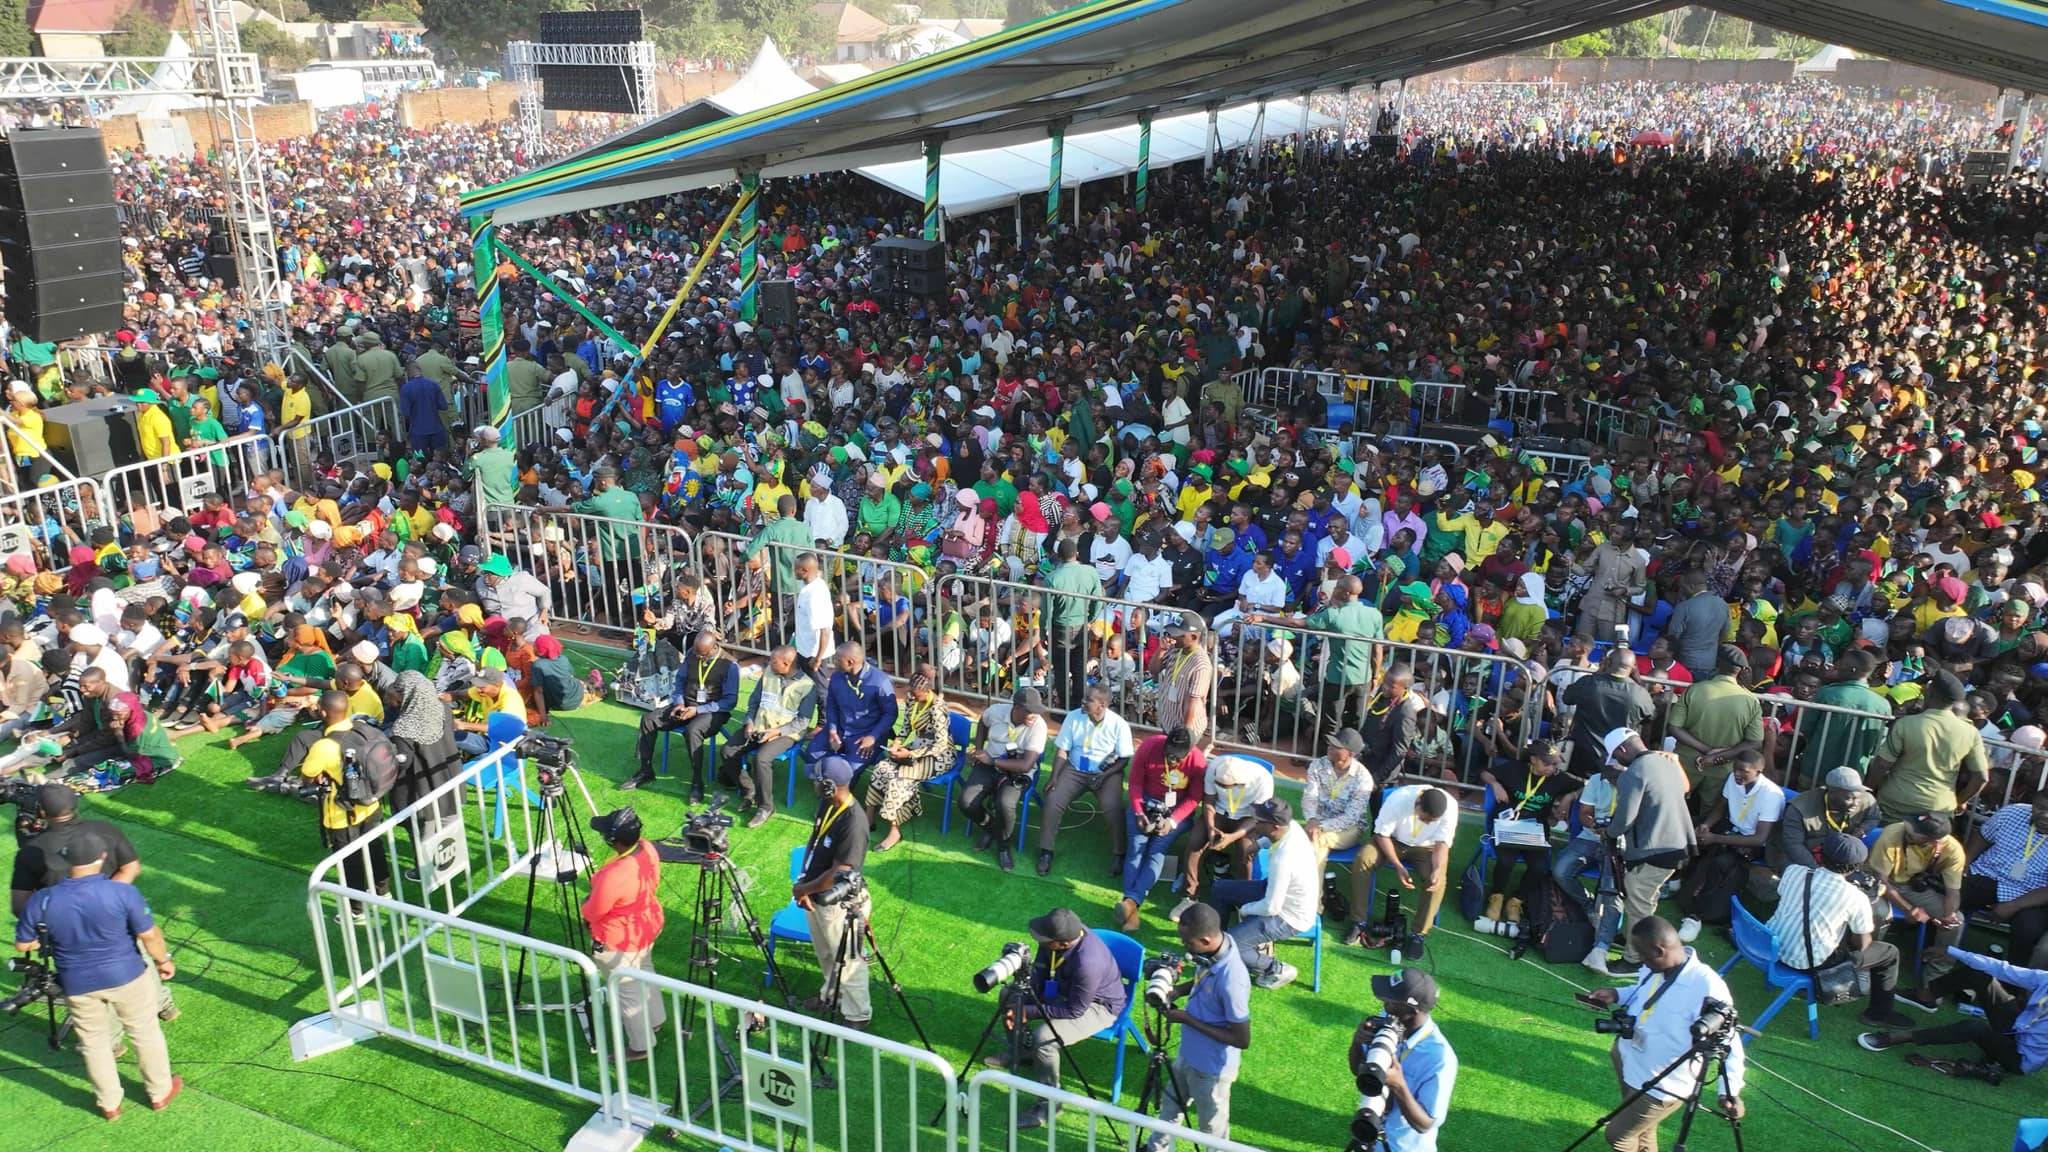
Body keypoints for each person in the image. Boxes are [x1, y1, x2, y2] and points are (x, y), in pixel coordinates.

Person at [14, 828, 183, 1119]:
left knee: (94, 1043)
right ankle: (158, 1092)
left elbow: (23, 943)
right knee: (144, 1032)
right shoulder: (122, 892)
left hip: (77, 983)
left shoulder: (43, 899)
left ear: (67, 860)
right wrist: (163, 960)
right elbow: (149, 934)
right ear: (102, 857)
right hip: (127, 976)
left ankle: (109, 1104)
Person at [1582, 917, 1745, 1152]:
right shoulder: (1657, 967)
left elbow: (1729, 1042)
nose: (1641, 961)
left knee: (1618, 1136)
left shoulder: (1706, 986)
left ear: (1660, 950)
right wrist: (1617, 994)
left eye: (1643, 955)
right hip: (1629, 1059)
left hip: (1663, 1083)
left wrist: (1729, 1091)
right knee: (1643, 1129)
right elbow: (1644, 995)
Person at [990, 907, 1128, 1127]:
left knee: (1044, 1038)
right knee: (1009, 994)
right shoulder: (1056, 939)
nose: (1039, 940)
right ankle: (1021, 1052)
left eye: (1045, 939)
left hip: (1097, 1006)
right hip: (1064, 990)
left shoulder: (1088, 963)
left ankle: (1050, 1105)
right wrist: (1021, 1001)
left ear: (1063, 944)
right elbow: (1041, 973)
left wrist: (1027, 1011)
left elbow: (1074, 1010)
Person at [1767, 832, 1912, 1029]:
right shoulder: (1856, 897)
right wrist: (1870, 901)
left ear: (1821, 854)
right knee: (1889, 953)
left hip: (1769, 947)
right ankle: (1878, 1014)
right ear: (1856, 867)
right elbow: (1863, 945)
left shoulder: (1794, 871)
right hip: (1808, 964)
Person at [1141, 902, 1250, 1152]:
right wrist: (1178, 989)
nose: (1185, 948)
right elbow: (1201, 977)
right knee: (1170, 1108)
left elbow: (1242, 1039)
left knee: (1211, 1129)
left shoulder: (1233, 979)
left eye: (1188, 943)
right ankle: (1155, 1149)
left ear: (1206, 939)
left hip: (1211, 1070)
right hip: (1188, 1056)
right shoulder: (1214, 950)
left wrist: (1187, 1019)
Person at [1859, 946, 2048, 1082]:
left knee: (1974, 1027)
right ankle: (1926, 997)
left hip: (2019, 1057)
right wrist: (1952, 951)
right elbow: (2002, 969)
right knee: (1979, 973)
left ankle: (1900, 1037)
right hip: (2016, 1025)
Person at [1594, 728, 1695, 975]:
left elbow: (1625, 819)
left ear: (1622, 750)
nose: (1617, 762)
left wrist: (1609, 832)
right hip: (1677, 843)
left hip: (1655, 848)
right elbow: (1684, 790)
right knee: (1644, 900)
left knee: (1638, 904)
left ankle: (1634, 960)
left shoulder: (1634, 773)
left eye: (1616, 756)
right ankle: (1635, 942)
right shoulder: (1667, 763)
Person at [296, 689, 391, 919]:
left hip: (342, 813)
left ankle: (355, 910)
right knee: (374, 847)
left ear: (323, 712)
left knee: (350, 860)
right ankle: (382, 892)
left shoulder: (325, 746)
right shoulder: (365, 731)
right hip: (372, 803)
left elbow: (308, 775)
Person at [582, 806, 666, 1060]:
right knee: (645, 972)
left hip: (619, 940)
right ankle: (655, 1020)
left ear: (612, 841)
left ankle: (640, 1046)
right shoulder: (647, 848)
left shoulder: (614, 875)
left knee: (626, 992)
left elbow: (594, 910)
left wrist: (584, 908)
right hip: (648, 925)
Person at [1674, 747, 1783, 941]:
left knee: (1720, 862)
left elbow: (1759, 839)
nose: (1738, 775)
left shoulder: (1771, 795)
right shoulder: (1733, 780)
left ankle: (1699, 912)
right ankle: (1675, 881)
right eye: (1736, 769)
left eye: (1744, 772)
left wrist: (1716, 839)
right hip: (1729, 829)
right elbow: (1721, 807)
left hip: (1752, 844)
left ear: (1759, 772)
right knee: (1689, 830)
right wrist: (1707, 826)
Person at [795, 755, 871, 1029]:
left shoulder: (854, 822)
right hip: (815, 896)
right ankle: (831, 996)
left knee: (849, 959)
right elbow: (814, 843)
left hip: (840, 903)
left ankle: (857, 1014)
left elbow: (840, 871)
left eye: (817, 780)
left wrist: (805, 887)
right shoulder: (826, 805)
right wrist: (804, 882)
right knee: (826, 953)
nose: (812, 784)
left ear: (829, 785)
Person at [1209, 799, 1317, 989]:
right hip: (1276, 894)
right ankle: (1215, 947)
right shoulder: (1290, 826)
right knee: (1220, 889)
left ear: (1274, 826)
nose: (1254, 822)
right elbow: (1273, 836)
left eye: (1259, 821)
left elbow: (1271, 907)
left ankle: (1276, 969)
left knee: (1231, 946)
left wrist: (1245, 909)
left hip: (1287, 917)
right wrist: (1258, 844)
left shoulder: (1284, 859)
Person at [622, 630, 737, 799]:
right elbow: (680, 681)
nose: (697, 657)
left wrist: (698, 710)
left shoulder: (730, 665)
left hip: (713, 711)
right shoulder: (692, 653)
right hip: (686, 704)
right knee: (649, 719)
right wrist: (679, 702)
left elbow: (729, 701)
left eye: (702, 654)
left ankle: (697, 782)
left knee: (693, 730)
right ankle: (645, 770)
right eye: (696, 653)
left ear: (714, 648)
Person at [1115, 727, 1208, 932]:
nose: (1172, 761)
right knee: (1136, 848)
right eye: (1168, 755)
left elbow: (1194, 798)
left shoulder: (1198, 762)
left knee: (1157, 850)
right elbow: (1135, 783)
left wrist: (1172, 821)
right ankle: (1132, 904)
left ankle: (1130, 903)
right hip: (1146, 803)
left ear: (1189, 752)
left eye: (1177, 758)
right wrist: (1139, 812)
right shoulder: (1149, 746)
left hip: (1175, 811)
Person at [1035, 686, 1135, 876]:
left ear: (1102, 705)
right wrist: (1054, 776)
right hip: (1075, 769)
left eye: (1088, 700)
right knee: (1053, 799)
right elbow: (1063, 750)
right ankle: (1046, 851)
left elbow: (1124, 759)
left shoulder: (1119, 724)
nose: (1083, 701)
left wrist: (1104, 775)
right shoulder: (1073, 716)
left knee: (1113, 807)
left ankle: (1119, 853)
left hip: (1107, 773)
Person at [1869, 812, 1966, 1005]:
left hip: (1913, 887)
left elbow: (1952, 892)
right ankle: (1867, 966)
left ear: (1932, 840)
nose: (1909, 830)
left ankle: (1931, 987)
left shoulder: (1953, 850)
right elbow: (1881, 881)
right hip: (1879, 883)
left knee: (1956, 923)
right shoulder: (1893, 832)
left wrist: (1949, 915)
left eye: (1916, 833)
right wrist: (1908, 909)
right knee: (1879, 913)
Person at [1866, 670, 1989, 821]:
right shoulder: (1971, 733)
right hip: (1938, 808)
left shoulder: (1905, 724)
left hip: (1896, 802)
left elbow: (1881, 764)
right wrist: (1959, 801)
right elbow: (1981, 777)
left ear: (1930, 692)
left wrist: (1868, 791)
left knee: (1885, 841)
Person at [1356, 968, 1458, 1152]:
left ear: (1411, 1011)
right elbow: (1358, 1071)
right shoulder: (1387, 1022)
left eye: (1390, 1000)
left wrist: (1399, 1085)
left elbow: (1425, 1125)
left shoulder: (1440, 1059)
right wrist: (1358, 1042)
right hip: (1370, 1134)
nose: (1383, 1003)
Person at [1474, 739, 1568, 932]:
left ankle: (1517, 900)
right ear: (1533, 760)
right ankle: (1497, 895)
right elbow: (1484, 772)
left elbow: (1583, 783)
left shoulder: (1558, 778)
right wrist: (1495, 785)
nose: (1551, 768)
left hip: (1536, 829)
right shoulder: (1514, 769)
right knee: (1506, 861)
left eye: (1555, 764)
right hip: (1507, 825)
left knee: (1539, 867)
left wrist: (1569, 797)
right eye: (1547, 763)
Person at [1349, 783, 1457, 948]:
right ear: (1417, 803)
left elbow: (1442, 844)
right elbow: (1382, 834)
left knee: (1437, 880)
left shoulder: (1450, 807)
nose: (1427, 823)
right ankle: (1359, 922)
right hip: (1391, 841)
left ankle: (1418, 934)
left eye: (1431, 821)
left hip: (1426, 848)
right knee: (1363, 859)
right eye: (1424, 818)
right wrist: (1398, 865)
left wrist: (1437, 869)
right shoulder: (1399, 799)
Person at [719, 645, 815, 827]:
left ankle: (766, 807)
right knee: (728, 751)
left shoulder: (807, 686)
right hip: (757, 727)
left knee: (762, 759)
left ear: (787, 664)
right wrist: (749, 721)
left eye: (773, 660)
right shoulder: (769, 673)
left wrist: (775, 732)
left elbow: (802, 721)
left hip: (785, 734)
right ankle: (750, 791)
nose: (769, 662)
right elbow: (754, 701)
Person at [957, 687, 1050, 872]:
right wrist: (979, 748)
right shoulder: (997, 712)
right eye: (1029, 711)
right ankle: (992, 828)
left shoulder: (1039, 726)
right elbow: (983, 722)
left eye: (1036, 711)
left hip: (1017, 772)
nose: (1034, 715)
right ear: (1016, 707)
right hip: (989, 764)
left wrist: (993, 761)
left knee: (1005, 803)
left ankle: (1003, 847)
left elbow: (1025, 764)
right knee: (966, 802)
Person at [1174, 752, 1274, 922]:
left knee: (1246, 850)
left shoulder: (1263, 780)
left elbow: (1259, 817)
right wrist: (1211, 827)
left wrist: (1233, 836)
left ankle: (1244, 902)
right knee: (1195, 842)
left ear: (1240, 783)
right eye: (1219, 784)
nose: (1221, 788)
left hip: (1248, 819)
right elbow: (1209, 801)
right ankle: (1189, 896)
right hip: (1218, 813)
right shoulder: (1215, 767)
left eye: (1226, 786)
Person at [865, 664, 953, 852]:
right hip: (916, 747)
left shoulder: (938, 708)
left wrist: (910, 754)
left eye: (916, 694)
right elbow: (906, 727)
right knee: (882, 768)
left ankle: (895, 830)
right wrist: (897, 743)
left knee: (901, 779)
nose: (912, 697)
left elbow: (941, 744)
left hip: (939, 756)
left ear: (926, 690)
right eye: (910, 693)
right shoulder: (912, 700)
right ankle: (869, 817)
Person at [1958, 794, 2048, 970]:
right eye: (2040, 808)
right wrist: (1964, 864)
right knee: (1952, 893)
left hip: (2033, 894)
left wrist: (2014, 905)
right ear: (2033, 804)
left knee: (2028, 930)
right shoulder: (2013, 813)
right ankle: (1936, 952)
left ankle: (2012, 983)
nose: (2045, 815)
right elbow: (1983, 836)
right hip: (1991, 875)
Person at [1666, 646, 1765, 800]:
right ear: (1741, 671)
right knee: (1708, 815)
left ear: (1717, 664)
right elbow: (1755, 742)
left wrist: (1707, 750)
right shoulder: (1750, 701)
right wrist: (1719, 756)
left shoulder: (1694, 690)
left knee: (1673, 803)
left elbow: (1674, 727)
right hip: (1723, 767)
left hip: (1686, 762)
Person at [1301, 727, 1378, 923]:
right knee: (1316, 844)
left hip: (1349, 830)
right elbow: (1309, 797)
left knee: (1315, 843)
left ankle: (1311, 906)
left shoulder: (1363, 778)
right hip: (1317, 824)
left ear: (1349, 754)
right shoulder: (1317, 765)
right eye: (1330, 743)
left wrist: (1319, 827)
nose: (1329, 747)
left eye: (1336, 746)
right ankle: (1311, 905)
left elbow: (1351, 817)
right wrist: (1311, 819)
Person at [1562, 650, 1656, 782]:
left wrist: (1599, 672)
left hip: (1584, 754)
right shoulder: (1640, 693)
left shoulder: (1589, 683)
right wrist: (1638, 680)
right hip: (1619, 756)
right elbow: (1649, 717)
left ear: (1608, 662)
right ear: (1633, 667)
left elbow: (1567, 698)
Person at [805, 642, 898, 773]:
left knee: (849, 770)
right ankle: (826, 781)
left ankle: (837, 785)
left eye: (837, 659)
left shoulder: (880, 682)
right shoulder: (837, 677)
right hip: (839, 729)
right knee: (812, 755)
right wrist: (832, 729)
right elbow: (832, 705)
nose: (834, 662)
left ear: (850, 662)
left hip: (864, 735)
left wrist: (872, 737)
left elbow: (890, 714)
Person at [1771, 766, 1881, 873]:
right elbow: (1793, 846)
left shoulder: (1866, 801)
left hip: (1835, 856)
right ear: (1831, 792)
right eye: (1849, 798)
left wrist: (1862, 829)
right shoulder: (1799, 809)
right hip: (1800, 856)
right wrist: (1819, 872)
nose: (1856, 803)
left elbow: (1874, 817)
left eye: (1858, 797)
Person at [791, 554, 834, 682]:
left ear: (805, 571)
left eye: (796, 569)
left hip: (812, 653)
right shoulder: (813, 585)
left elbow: (825, 630)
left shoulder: (814, 595)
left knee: (820, 691)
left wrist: (818, 658)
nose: (793, 571)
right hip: (803, 649)